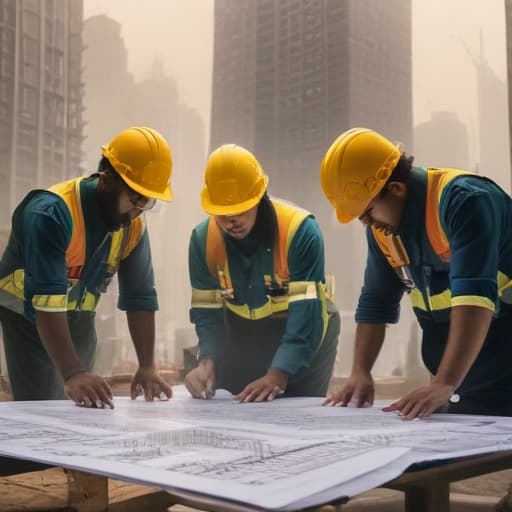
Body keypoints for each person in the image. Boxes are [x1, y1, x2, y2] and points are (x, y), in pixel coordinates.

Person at [320, 127, 512, 419]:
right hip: (466, 379)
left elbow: (475, 298)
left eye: (368, 211)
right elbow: (376, 302)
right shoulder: (385, 229)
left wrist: (445, 382)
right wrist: (360, 371)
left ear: (396, 189)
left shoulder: (465, 202)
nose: (366, 222)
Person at [0, 126, 174, 409]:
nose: (138, 211)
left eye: (147, 201)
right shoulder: (51, 213)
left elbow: (140, 296)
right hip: (28, 313)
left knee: (86, 400)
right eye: (135, 197)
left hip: (78, 315)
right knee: (43, 404)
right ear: (107, 180)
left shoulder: (132, 227)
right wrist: (72, 372)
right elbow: (46, 299)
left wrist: (146, 366)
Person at [185, 144, 340, 402]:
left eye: (241, 210)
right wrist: (207, 361)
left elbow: (306, 316)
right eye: (223, 213)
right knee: (237, 405)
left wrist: (279, 373)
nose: (231, 221)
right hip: (242, 332)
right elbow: (207, 313)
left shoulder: (299, 231)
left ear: (259, 197)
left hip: (305, 327)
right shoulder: (202, 240)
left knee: (298, 410)